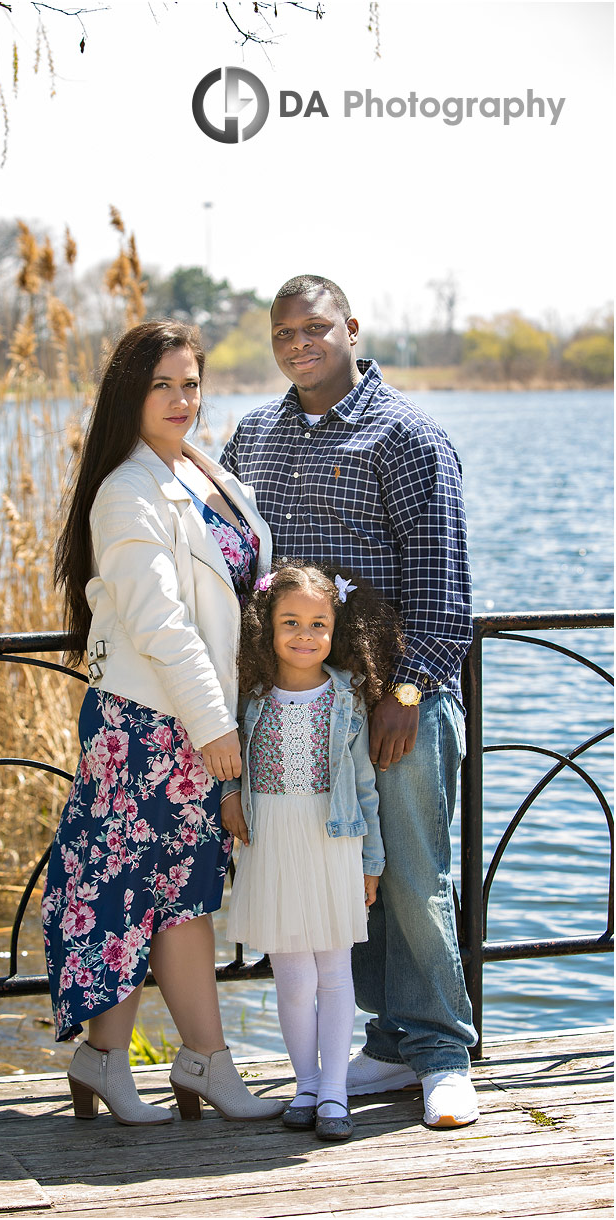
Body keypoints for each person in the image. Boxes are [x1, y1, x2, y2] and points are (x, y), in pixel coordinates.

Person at [220, 275, 479, 1129]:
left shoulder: (407, 436)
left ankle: (442, 1051)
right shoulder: (254, 434)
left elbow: (445, 590)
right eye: (283, 332)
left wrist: (402, 692)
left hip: (396, 699)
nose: (298, 342)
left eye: (314, 327)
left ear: (351, 329)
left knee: (408, 878)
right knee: (343, 879)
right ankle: (386, 1047)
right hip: (299, 710)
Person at [43, 319, 283, 1127]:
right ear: (130, 394)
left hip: (194, 723)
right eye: (164, 386)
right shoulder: (125, 490)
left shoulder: (200, 468)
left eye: (191, 383)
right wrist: (215, 727)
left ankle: (151, 1061)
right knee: (137, 895)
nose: (183, 399)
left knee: (180, 895)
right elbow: (160, 623)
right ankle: (150, 1061)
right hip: (149, 727)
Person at [221, 561, 404, 1141]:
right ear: (267, 628)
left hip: (333, 841)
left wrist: (371, 861)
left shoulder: (346, 698)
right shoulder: (251, 699)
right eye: (291, 622)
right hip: (272, 842)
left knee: (333, 969)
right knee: (292, 973)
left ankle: (334, 1092)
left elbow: (366, 785)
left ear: (335, 629)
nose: (305, 635)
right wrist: (229, 797)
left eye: (319, 624)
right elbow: (230, 767)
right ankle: (303, 1083)